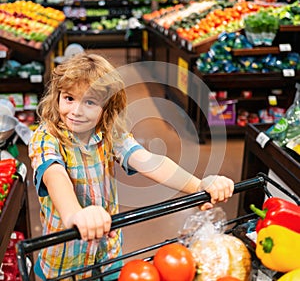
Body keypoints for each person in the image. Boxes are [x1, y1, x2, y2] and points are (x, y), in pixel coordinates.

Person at [29, 52, 234, 280]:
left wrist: (198, 185)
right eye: (69, 98)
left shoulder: (109, 132)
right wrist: (75, 215)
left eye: (89, 102)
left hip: (107, 251)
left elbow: (149, 161)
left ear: (107, 107)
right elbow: (53, 175)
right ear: (57, 96)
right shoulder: (46, 138)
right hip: (66, 256)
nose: (76, 111)